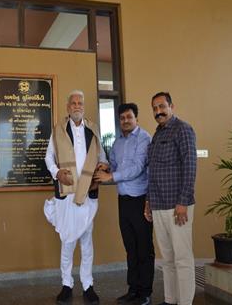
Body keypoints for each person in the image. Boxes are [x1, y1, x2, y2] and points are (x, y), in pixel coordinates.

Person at [44, 90, 107, 305]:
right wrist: (57, 173)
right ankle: (66, 284)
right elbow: (48, 157)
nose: (77, 105)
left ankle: (88, 284)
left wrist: (103, 167)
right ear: (68, 106)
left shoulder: (93, 130)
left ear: (84, 106)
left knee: (87, 241)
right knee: (67, 240)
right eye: (73, 103)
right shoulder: (58, 130)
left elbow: (103, 158)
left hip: (87, 193)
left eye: (80, 102)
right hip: (67, 193)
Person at [94, 103, 154, 305]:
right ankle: (133, 289)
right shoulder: (118, 143)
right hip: (123, 201)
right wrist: (107, 166)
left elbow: (137, 168)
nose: (125, 121)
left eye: (129, 117)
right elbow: (115, 165)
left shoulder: (144, 138)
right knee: (130, 248)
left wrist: (111, 175)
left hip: (140, 200)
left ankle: (145, 293)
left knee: (144, 248)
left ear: (136, 118)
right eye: (122, 118)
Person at [145, 92, 197, 305]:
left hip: (178, 207)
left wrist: (183, 201)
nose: (158, 111)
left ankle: (184, 302)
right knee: (167, 259)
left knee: (182, 259)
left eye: (162, 106)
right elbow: (152, 171)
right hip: (158, 206)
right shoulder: (156, 135)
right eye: (155, 108)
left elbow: (190, 165)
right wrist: (148, 202)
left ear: (171, 106)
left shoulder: (183, 130)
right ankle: (170, 299)